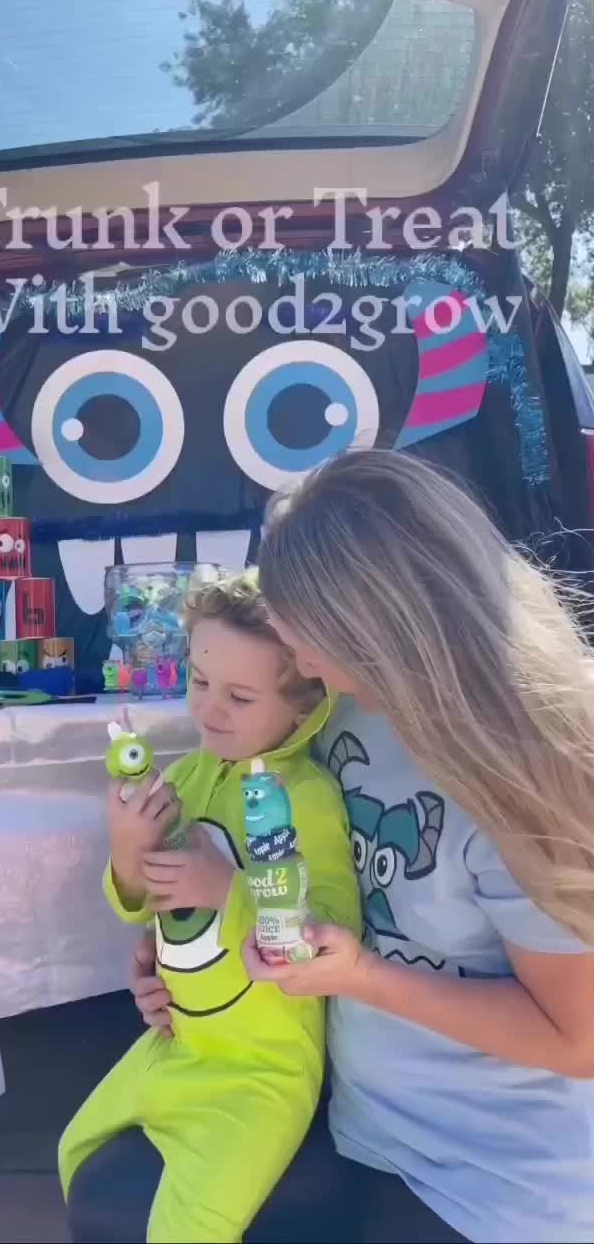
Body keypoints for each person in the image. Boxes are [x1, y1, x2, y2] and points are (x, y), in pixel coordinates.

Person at [132, 449, 594, 1244]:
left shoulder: (531, 770)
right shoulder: (339, 710)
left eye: (296, 622)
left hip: (500, 1189)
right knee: (112, 1194)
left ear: (373, 620)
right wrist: (189, 953)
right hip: (353, 1123)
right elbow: (282, 874)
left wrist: (361, 977)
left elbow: (578, 1039)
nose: (288, 649)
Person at [59, 573, 361, 1243]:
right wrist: (128, 846)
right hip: (178, 1043)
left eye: (240, 696)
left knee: (187, 1228)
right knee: (73, 1150)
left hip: (262, 1068)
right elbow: (138, 907)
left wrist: (230, 890)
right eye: (199, 683)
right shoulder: (190, 776)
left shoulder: (307, 797)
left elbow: (334, 928)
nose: (210, 710)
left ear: (304, 704)